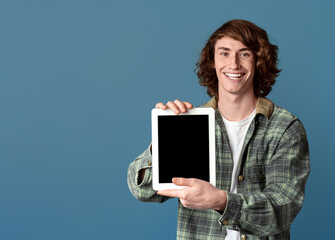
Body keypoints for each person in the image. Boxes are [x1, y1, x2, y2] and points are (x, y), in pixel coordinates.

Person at [127, 19, 310, 240]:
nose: (233, 64)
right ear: (212, 61)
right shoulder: (189, 125)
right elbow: (142, 191)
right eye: (224, 53)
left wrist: (221, 201)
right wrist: (164, 139)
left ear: (258, 61)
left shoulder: (284, 128)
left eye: (244, 54)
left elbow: (282, 209)